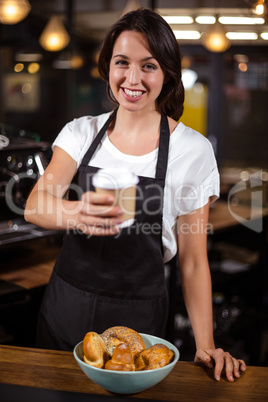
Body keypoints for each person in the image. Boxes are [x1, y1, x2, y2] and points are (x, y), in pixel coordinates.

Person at [25, 8, 246, 381]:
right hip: (66, 306)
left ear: (167, 74)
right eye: (122, 62)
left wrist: (204, 343)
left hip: (139, 318)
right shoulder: (80, 133)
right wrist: (79, 213)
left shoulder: (191, 150)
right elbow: (35, 206)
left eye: (149, 66)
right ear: (108, 68)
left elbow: (193, 260)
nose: (132, 78)